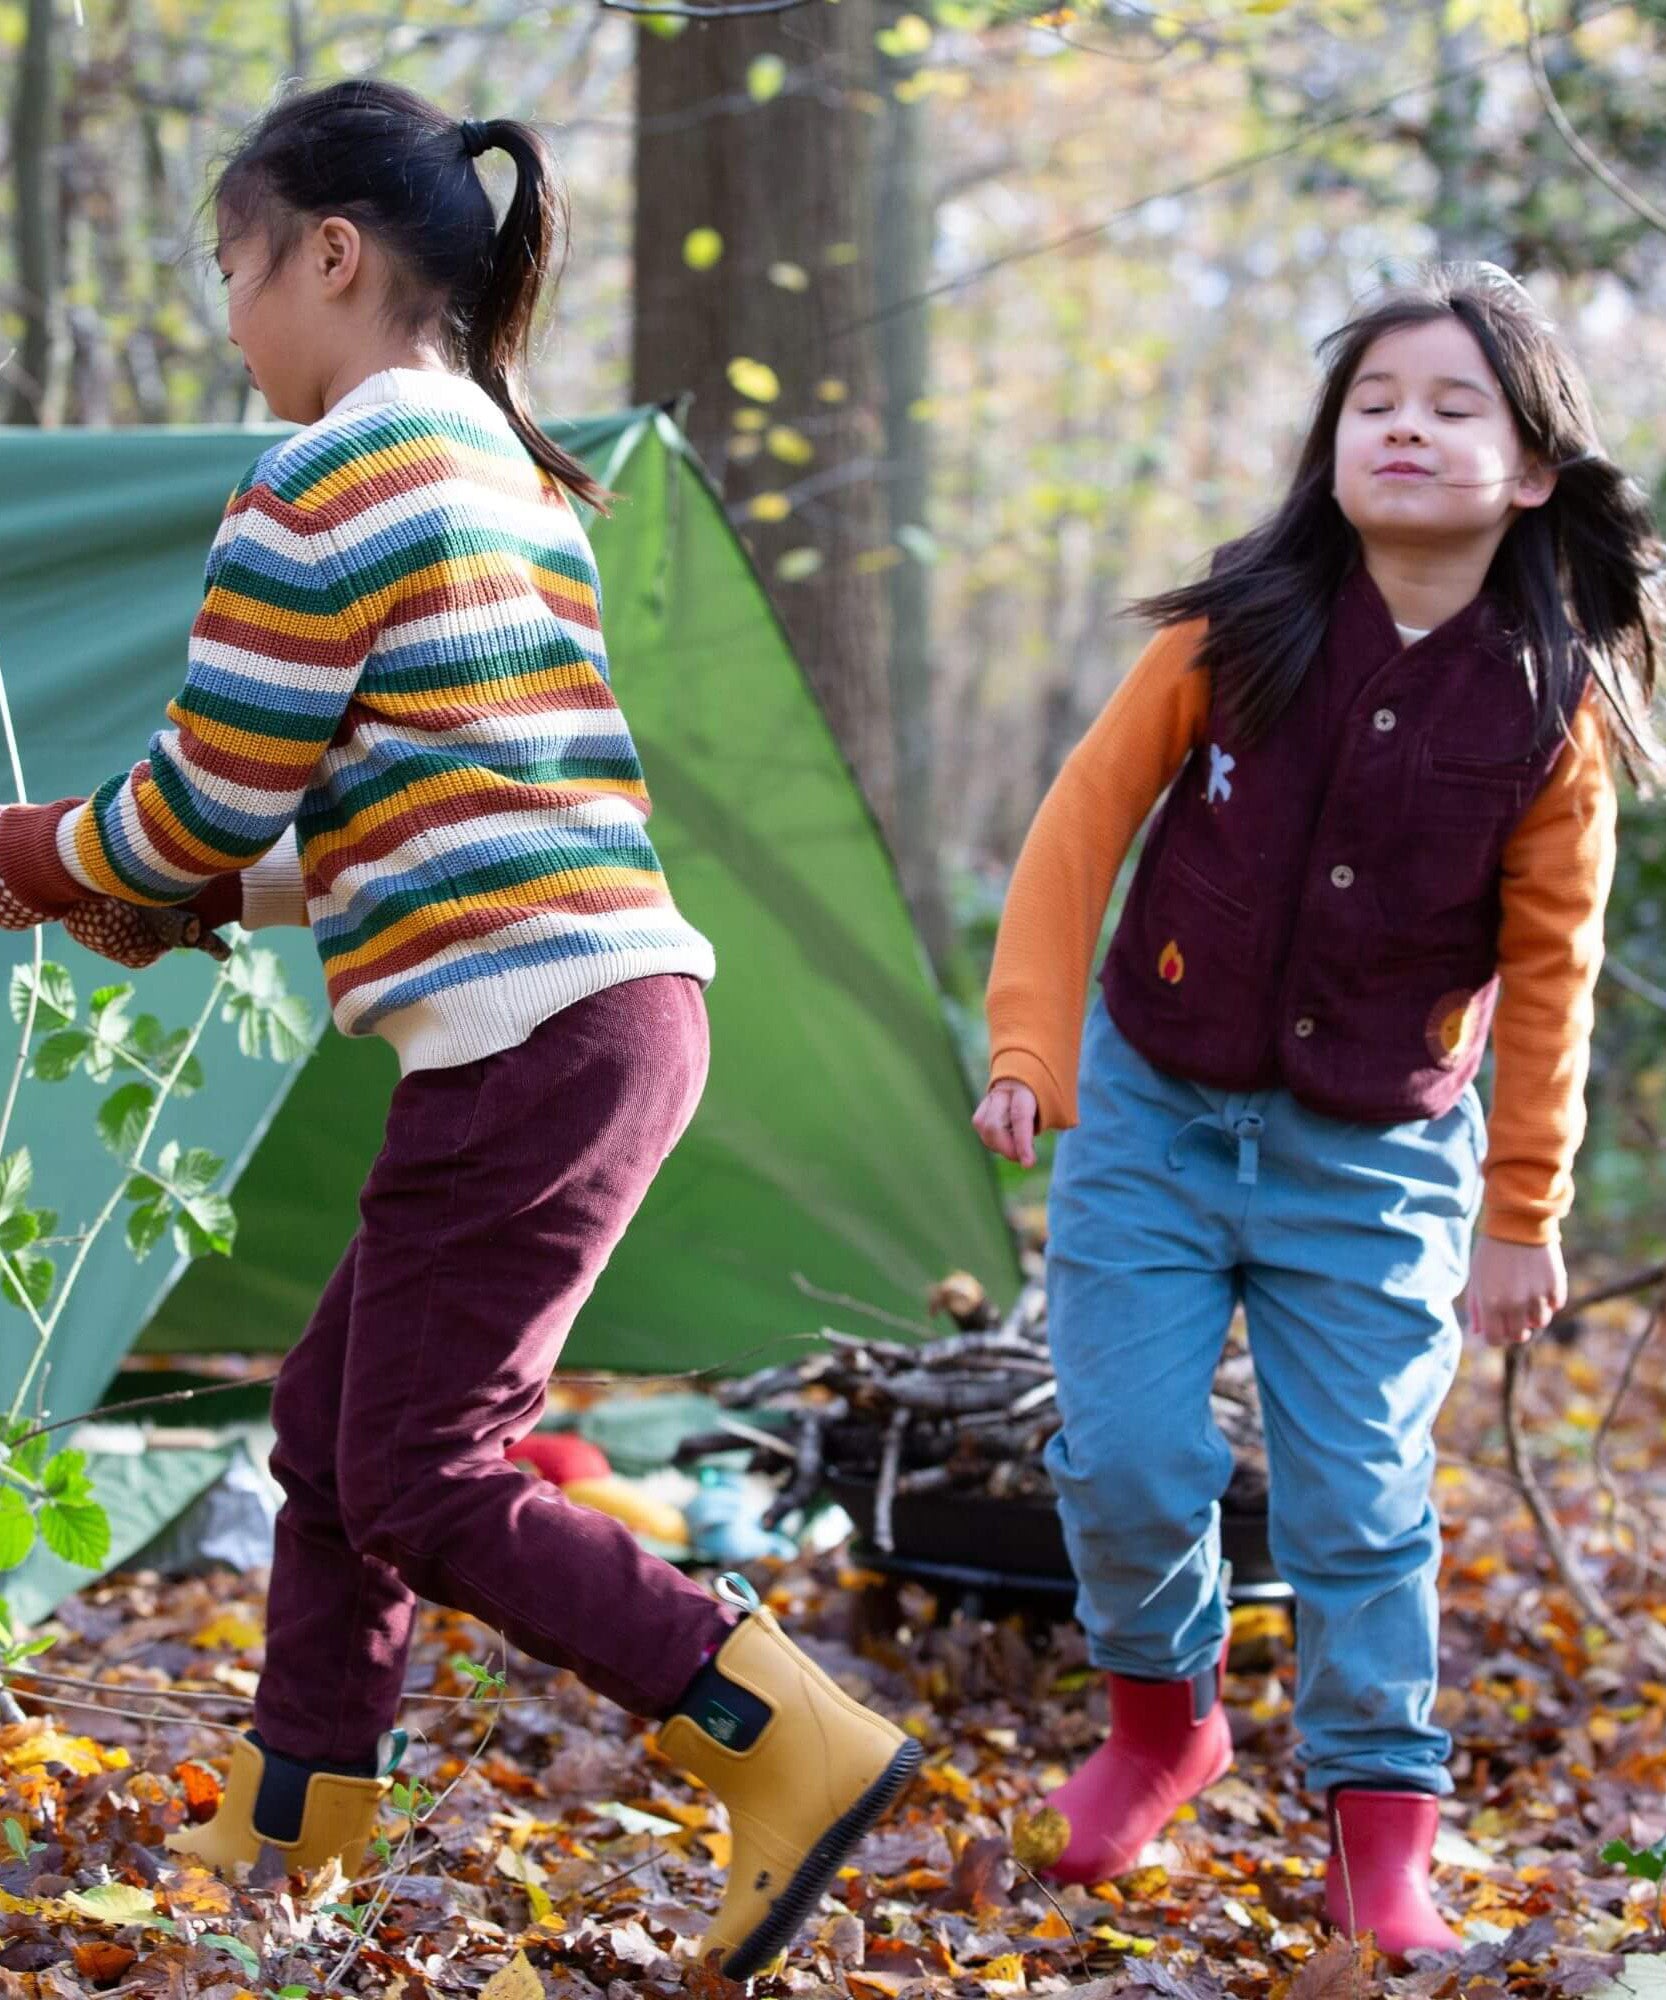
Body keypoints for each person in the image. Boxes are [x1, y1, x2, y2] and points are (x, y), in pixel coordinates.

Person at [0, 79, 918, 1979]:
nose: (231, 317)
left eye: (234, 272)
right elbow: (393, 812)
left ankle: (782, 1737)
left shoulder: (326, 474)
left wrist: (42, 856)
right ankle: (295, 1846)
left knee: (428, 1467)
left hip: (531, 1038)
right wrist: (169, 890)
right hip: (593, 1008)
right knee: (336, 1440)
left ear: (329, 256)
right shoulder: (497, 462)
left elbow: (198, 803)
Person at [973, 266, 1661, 1954]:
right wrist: (1029, 1051)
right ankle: (1161, 1724)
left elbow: (1551, 974)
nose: (1405, 426)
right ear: (1327, 444)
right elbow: (1077, 833)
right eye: (1373, 403)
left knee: (1358, 1501)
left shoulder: (1549, 711)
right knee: (1130, 1459)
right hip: (1152, 1109)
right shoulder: (1234, 628)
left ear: (1526, 472)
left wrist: (1521, 1211)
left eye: (1451, 407)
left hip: (1373, 1159)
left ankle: (1376, 1832)